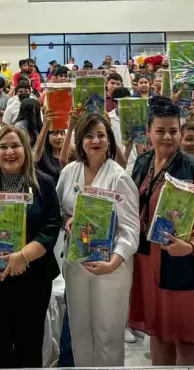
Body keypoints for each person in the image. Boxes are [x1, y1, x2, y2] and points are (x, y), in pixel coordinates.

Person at [0, 125, 62, 368]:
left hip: (33, 277)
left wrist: (23, 256)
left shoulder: (44, 183)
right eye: (3, 147)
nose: (9, 152)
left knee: (29, 346)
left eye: (15, 146)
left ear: (26, 150)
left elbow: (51, 225)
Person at [128, 98, 194, 365]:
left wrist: (189, 245)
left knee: (186, 337)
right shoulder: (142, 163)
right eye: (160, 131)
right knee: (159, 334)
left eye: (173, 131)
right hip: (147, 261)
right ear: (148, 132)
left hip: (181, 261)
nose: (167, 137)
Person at [56, 113, 140, 367]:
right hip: (76, 262)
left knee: (108, 336)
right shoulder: (70, 172)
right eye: (90, 135)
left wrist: (113, 263)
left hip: (111, 267)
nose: (95, 140)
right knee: (80, 333)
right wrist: (66, 220)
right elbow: (58, 211)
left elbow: (131, 230)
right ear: (80, 141)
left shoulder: (120, 177)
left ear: (110, 140)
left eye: (101, 135)